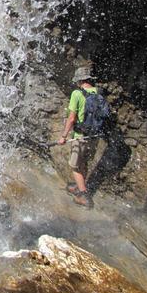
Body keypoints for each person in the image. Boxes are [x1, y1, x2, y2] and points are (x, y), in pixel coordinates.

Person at [58, 67, 99, 208]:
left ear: (80, 80)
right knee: (84, 163)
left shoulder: (77, 93)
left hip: (80, 136)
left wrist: (63, 136)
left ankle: (83, 195)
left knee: (75, 166)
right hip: (94, 136)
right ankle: (80, 185)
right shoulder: (98, 92)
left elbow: (71, 118)